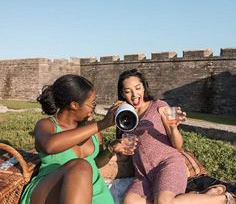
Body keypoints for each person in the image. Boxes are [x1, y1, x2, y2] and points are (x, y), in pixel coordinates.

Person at [116, 68, 235, 204]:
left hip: (167, 164)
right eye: (127, 91)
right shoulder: (122, 116)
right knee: (129, 202)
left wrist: (173, 127)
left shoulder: (159, 106)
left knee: (164, 202)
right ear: (122, 93)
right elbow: (123, 149)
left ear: (144, 87)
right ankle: (204, 195)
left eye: (137, 88)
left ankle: (224, 198)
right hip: (143, 174)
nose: (134, 94)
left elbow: (178, 146)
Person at [20, 74, 135, 204]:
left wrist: (111, 149)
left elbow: (96, 163)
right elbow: (49, 146)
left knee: (85, 166)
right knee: (80, 165)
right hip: (51, 191)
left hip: (93, 192)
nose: (94, 108)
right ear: (74, 105)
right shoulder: (47, 125)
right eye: (92, 103)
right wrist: (102, 124)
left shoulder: (91, 128)